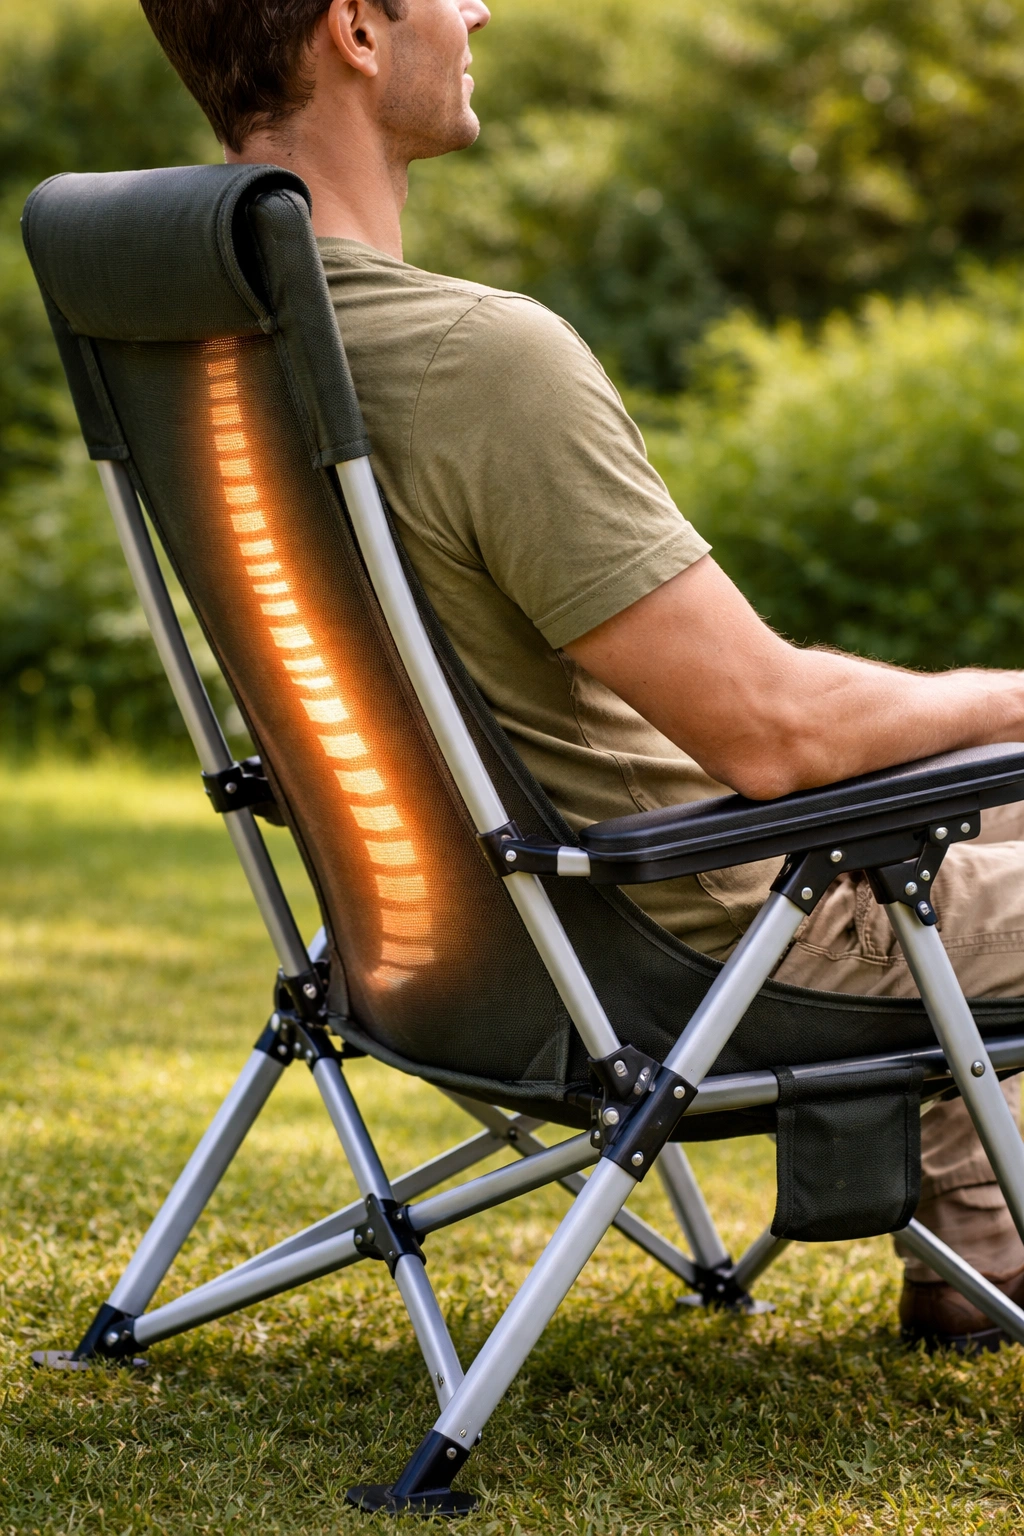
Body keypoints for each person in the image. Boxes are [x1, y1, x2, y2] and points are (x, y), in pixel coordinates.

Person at [140, 0, 1024, 1349]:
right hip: (704, 949)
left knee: (971, 797)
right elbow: (777, 736)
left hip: (451, 960)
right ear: (356, 33)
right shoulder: (478, 360)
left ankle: (980, 1250)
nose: (479, 7)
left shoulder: (212, 356)